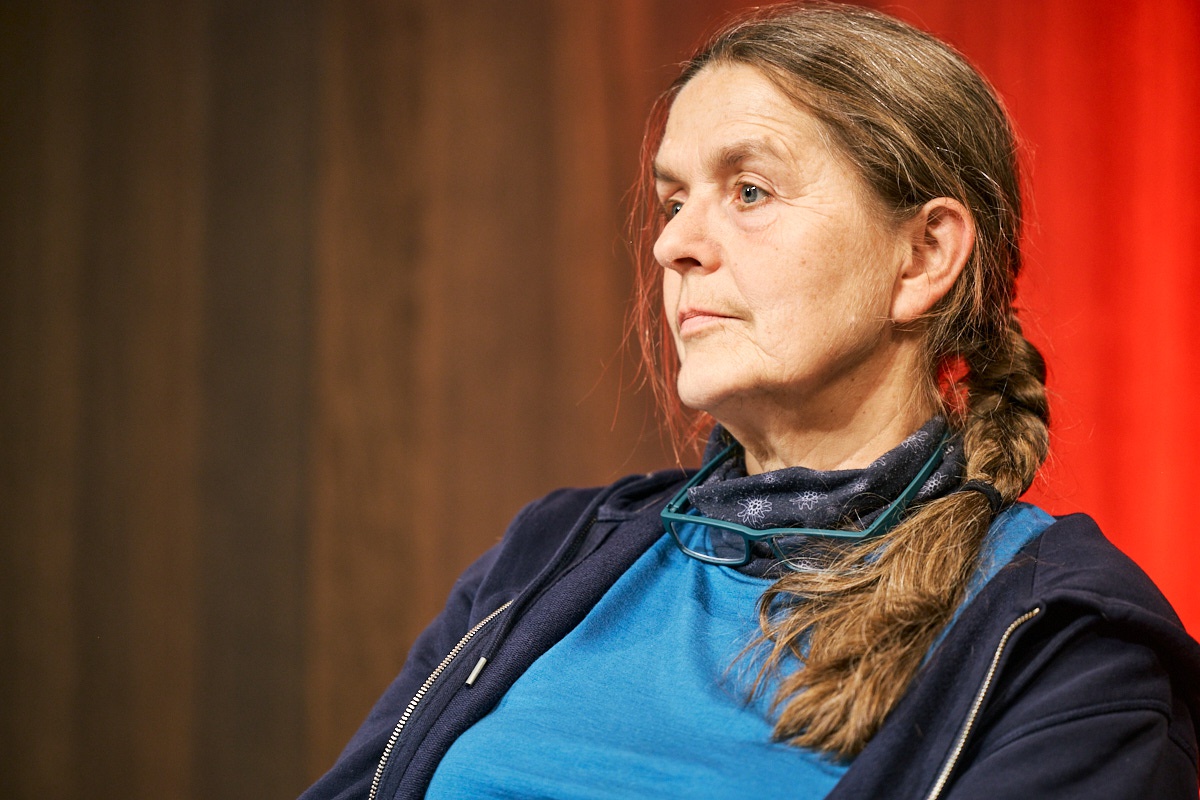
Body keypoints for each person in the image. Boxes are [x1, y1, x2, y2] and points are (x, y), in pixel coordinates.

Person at [302, 4, 1200, 798]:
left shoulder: (1070, 650)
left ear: (923, 257)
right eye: (673, 202)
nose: (675, 246)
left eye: (750, 191)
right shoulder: (545, 554)